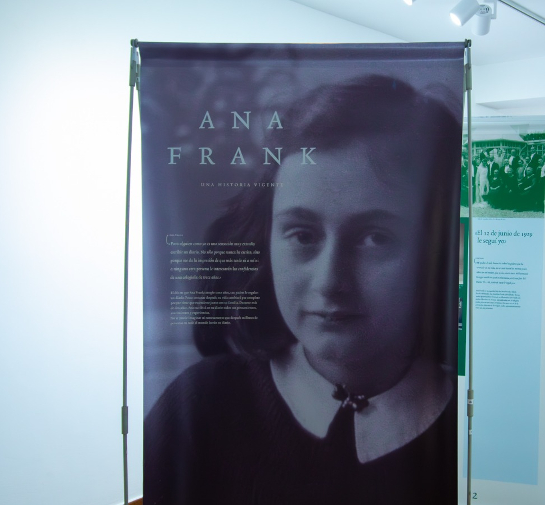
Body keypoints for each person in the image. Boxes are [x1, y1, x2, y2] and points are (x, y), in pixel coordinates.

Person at [144, 75, 460, 505]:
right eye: (303, 235)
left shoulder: (471, 427)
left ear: (435, 250)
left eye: (376, 238)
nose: (330, 281)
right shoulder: (201, 406)